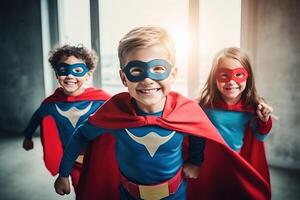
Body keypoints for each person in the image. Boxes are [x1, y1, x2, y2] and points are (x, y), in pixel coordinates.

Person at [55, 27, 271, 200]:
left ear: (173, 73)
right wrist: (64, 172)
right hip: (128, 193)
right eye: (136, 70)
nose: (147, 79)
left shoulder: (185, 110)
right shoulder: (115, 111)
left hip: (176, 193)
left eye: (158, 69)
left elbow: (199, 134)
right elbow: (82, 134)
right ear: (123, 78)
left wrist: (195, 162)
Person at [22, 44, 111, 194]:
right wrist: (28, 136)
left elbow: (123, 116)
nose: (70, 76)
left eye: (77, 70)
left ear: (88, 74)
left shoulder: (102, 101)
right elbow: (36, 118)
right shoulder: (51, 104)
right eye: (63, 71)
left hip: (100, 161)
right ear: (57, 75)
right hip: (72, 162)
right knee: (81, 191)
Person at [198, 46, 273, 195]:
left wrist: (264, 120)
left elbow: (259, 137)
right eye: (224, 75)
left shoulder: (253, 108)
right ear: (214, 77)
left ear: (248, 77)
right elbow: (193, 134)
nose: (231, 82)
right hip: (211, 164)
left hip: (238, 162)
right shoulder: (205, 106)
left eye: (238, 74)